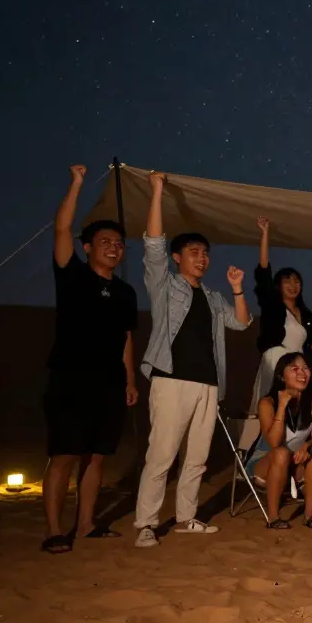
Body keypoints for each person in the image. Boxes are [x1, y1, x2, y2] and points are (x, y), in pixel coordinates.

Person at [134, 171, 252, 548]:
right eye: (194, 253)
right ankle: (146, 524)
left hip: (208, 384)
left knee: (197, 457)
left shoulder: (215, 297)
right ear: (177, 257)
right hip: (171, 379)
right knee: (162, 454)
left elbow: (241, 323)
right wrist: (156, 191)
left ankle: (186, 517)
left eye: (206, 254)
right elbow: (152, 243)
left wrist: (237, 290)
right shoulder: (165, 285)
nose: (202, 259)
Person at [40, 164, 139, 554]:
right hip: (70, 378)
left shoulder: (126, 293)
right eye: (104, 242)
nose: (113, 248)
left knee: (97, 456)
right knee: (64, 454)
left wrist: (130, 380)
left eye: (118, 243)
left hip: (110, 382)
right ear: (88, 247)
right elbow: (61, 229)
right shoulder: (72, 275)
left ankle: (85, 525)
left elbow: (126, 338)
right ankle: (52, 529)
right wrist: (77, 184)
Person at [246, 352, 312, 529]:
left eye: (305, 368)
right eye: (295, 369)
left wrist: (308, 445)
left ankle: (309, 515)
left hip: (295, 462)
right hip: (265, 463)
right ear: (281, 376)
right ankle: (273, 518)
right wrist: (282, 405)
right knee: (281, 452)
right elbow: (274, 443)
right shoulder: (267, 403)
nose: (302, 373)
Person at [251, 216, 312, 408]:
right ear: (278, 286)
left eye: (296, 281)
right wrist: (265, 234)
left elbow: (311, 342)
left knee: (298, 408)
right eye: (287, 281)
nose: (293, 285)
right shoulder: (272, 305)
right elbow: (264, 272)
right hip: (276, 362)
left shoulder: (305, 314)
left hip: (298, 366)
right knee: (273, 406)